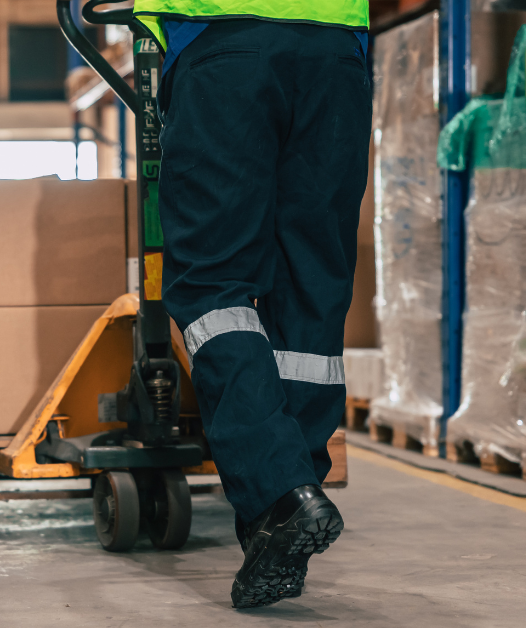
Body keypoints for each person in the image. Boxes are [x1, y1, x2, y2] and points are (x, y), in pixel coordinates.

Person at [132, 0, 372, 609]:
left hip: (227, 46)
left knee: (213, 288)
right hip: (336, 55)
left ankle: (281, 494)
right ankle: (282, 510)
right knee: (311, 288)